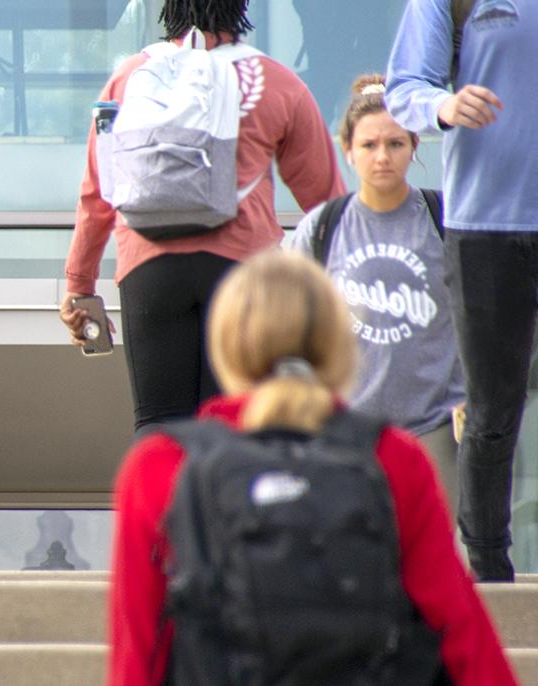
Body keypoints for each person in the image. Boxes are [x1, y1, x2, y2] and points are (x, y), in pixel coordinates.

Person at [106, 250, 517, 686]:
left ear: (226, 345)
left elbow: (137, 647)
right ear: (338, 344)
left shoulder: (163, 464)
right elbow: (458, 629)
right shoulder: (390, 456)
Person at [60, 0, 344, 432]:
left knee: (158, 424)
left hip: (148, 268)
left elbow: (98, 193)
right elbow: (326, 206)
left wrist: (79, 286)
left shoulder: (129, 77)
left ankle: (158, 501)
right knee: (233, 423)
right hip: (242, 271)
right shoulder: (275, 80)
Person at [385, 0, 538, 582]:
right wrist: (444, 105)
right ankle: (490, 576)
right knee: (493, 411)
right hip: (486, 229)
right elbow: (404, 87)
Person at [288, 73, 464, 513]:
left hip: (434, 427)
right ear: (347, 150)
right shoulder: (322, 227)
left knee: (435, 558)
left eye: (395, 144)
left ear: (413, 146)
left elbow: (482, 312)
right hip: (343, 431)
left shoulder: (445, 219)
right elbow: (282, 319)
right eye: (369, 145)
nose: (382, 156)